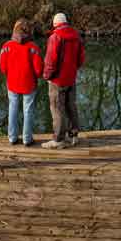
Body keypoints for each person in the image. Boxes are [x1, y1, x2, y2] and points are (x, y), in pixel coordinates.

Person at [42, 12, 85, 149]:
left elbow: (50, 61)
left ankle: (58, 139)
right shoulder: (76, 36)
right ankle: (74, 135)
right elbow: (81, 59)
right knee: (71, 106)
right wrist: (73, 69)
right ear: (66, 22)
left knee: (57, 108)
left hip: (58, 80)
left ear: (55, 24)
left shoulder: (55, 37)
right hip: (71, 78)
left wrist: (47, 76)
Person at [0, 18, 43, 146]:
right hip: (29, 84)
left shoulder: (6, 46)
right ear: (29, 31)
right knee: (28, 111)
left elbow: (2, 66)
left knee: (12, 108)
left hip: (12, 83)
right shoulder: (33, 48)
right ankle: (27, 139)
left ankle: (12, 138)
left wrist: (9, 73)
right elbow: (39, 70)